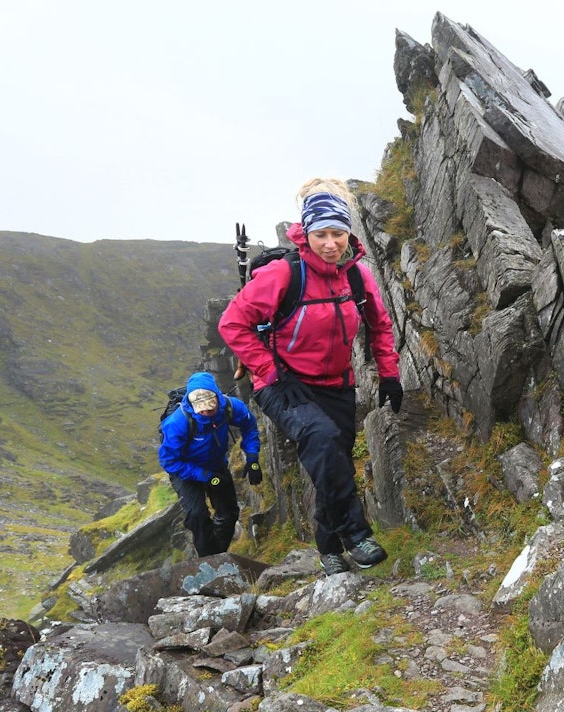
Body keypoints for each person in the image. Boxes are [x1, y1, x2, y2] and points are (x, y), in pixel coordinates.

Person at [218, 178, 403, 576]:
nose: (331, 243)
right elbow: (232, 323)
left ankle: (329, 548)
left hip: (337, 384)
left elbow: (380, 325)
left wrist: (389, 375)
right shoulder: (285, 274)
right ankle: (356, 534)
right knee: (321, 440)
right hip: (283, 384)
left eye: (338, 234)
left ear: (349, 234)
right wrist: (268, 371)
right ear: (307, 234)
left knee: (333, 461)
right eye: (321, 234)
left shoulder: (356, 277)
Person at [158, 371, 262, 557]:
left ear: (218, 399)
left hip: (215, 464)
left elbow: (249, 426)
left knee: (229, 513)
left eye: (210, 409)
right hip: (185, 470)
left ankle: (218, 555)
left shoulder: (230, 407)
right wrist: (206, 477)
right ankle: (208, 562)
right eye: (201, 410)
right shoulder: (178, 423)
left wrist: (253, 457)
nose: (206, 413)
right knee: (197, 517)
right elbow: (169, 460)